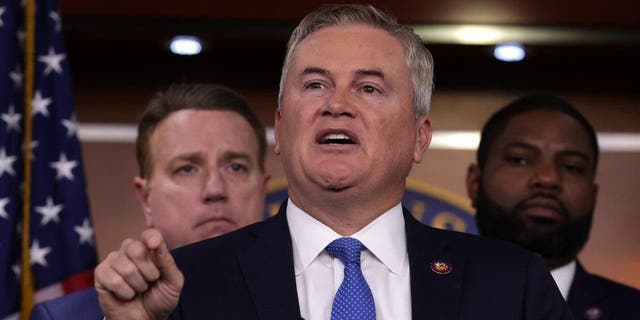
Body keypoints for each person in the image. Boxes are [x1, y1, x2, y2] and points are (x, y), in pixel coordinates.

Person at [94, 4, 572, 319]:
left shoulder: (513, 286)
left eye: (368, 87)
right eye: (315, 84)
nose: (336, 104)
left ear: (418, 139)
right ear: (281, 130)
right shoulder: (184, 286)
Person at [29, 83, 270, 319]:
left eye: (236, 167)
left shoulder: (305, 300)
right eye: (186, 169)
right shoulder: (63, 316)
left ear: (262, 189)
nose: (215, 189)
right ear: (146, 199)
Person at [466, 94, 640, 320]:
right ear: (475, 183)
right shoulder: (417, 301)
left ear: (593, 196)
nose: (548, 179)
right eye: (520, 159)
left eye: (572, 167)